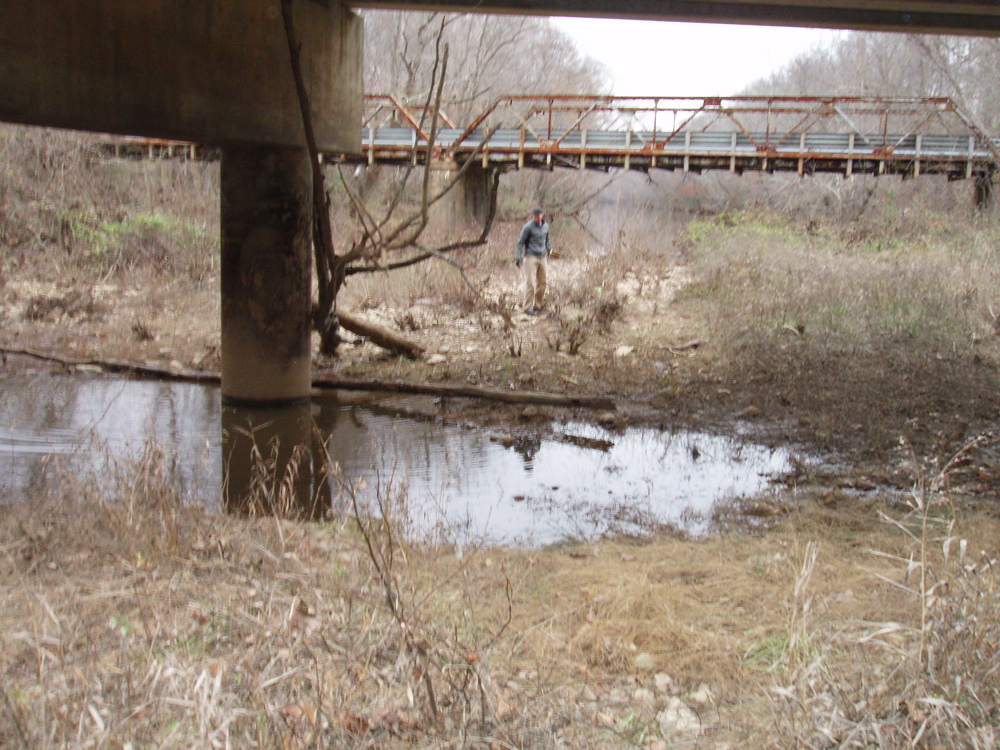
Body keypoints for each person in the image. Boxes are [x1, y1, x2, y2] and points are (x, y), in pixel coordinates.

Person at [515, 207, 553, 314]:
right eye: (535, 216)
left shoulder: (546, 226)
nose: (537, 218)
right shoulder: (528, 227)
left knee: (542, 283)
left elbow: (547, 242)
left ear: (542, 215)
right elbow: (520, 243)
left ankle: (537, 306)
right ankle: (527, 308)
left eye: (538, 216)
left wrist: (551, 251)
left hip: (543, 257)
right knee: (530, 283)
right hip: (530, 257)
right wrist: (518, 257)